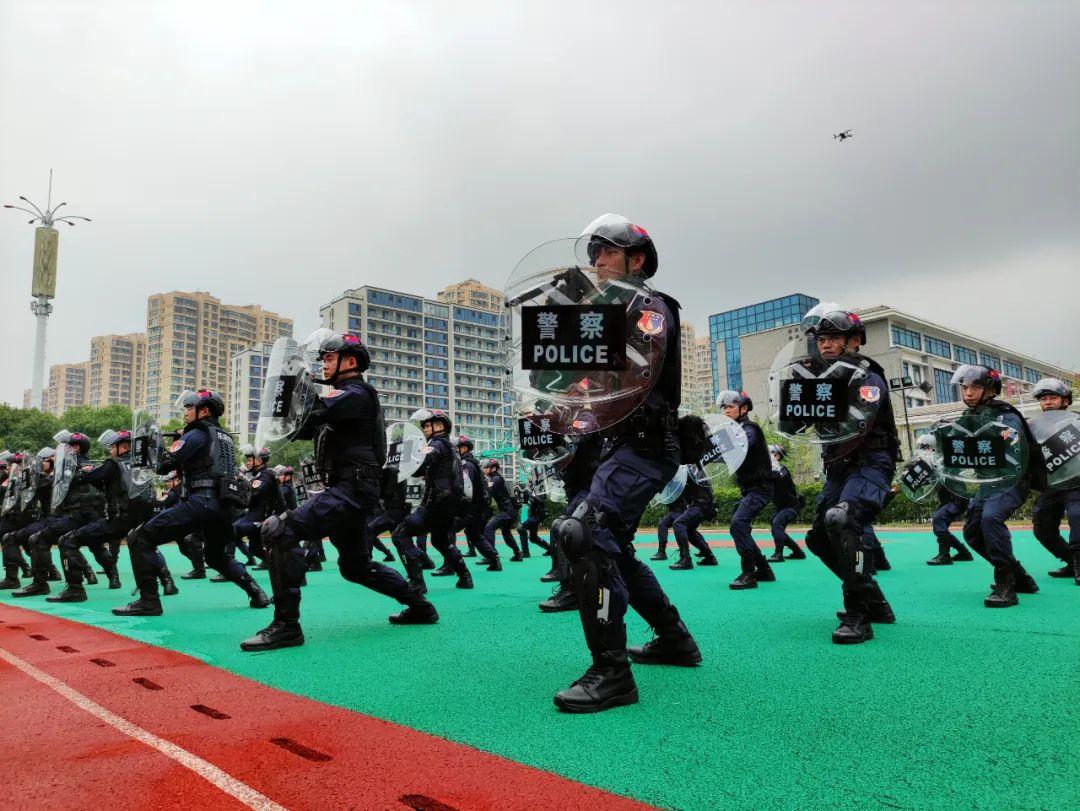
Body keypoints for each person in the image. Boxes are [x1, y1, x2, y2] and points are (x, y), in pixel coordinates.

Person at [538, 214, 701, 713]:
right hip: (618, 447)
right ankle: (674, 639)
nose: (597, 262)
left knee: (581, 534)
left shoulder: (648, 308)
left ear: (637, 260)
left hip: (648, 445)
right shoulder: (600, 314)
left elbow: (632, 373)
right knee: (615, 550)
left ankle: (612, 672)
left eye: (607, 253)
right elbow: (558, 381)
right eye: (593, 254)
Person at [241, 334, 437, 651]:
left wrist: (295, 381)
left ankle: (286, 626)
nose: (323, 363)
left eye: (330, 357)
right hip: (353, 489)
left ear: (350, 362)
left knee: (279, 530)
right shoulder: (343, 399)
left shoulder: (356, 393)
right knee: (355, 567)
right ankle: (421, 607)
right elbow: (302, 424)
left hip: (352, 488)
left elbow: (314, 408)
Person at [113, 390, 271, 616]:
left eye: (189, 408)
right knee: (216, 556)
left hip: (201, 502)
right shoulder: (222, 436)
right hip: (223, 507)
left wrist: (152, 444)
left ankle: (148, 601)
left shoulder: (197, 433)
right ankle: (257, 592)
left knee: (139, 538)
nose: (186, 413)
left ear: (204, 411)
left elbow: (164, 465)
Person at [796, 308, 897, 643]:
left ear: (854, 341)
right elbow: (792, 427)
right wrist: (794, 398)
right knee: (818, 538)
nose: (825, 345)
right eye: (821, 339)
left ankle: (858, 613)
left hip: (871, 462)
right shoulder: (816, 381)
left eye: (834, 338)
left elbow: (860, 420)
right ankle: (873, 598)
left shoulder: (868, 377)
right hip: (837, 466)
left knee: (843, 520)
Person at [947, 366, 1040, 607]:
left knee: (990, 519)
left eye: (975, 387)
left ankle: (1006, 584)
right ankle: (1019, 576)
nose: (968, 393)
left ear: (990, 389)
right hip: (987, 484)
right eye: (964, 387)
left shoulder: (1005, 414)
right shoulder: (967, 417)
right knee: (972, 532)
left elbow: (1012, 438)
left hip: (1012, 480)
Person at [12, 433, 111, 599]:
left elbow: (52, 486)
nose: (58, 453)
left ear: (76, 448)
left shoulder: (68, 465)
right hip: (91, 516)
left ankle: (47, 585)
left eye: (65, 447)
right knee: (90, 545)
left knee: (41, 539)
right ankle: (95, 577)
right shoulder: (92, 465)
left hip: (77, 516)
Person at [407, 410, 474, 589]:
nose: (426, 428)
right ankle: (465, 576)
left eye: (430, 425)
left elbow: (424, 459)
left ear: (440, 427)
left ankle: (416, 582)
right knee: (440, 540)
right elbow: (419, 470)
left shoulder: (437, 443)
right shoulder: (449, 445)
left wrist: (405, 454)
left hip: (436, 502)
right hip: (447, 503)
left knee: (401, 533)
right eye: (425, 426)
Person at [716, 391, 776, 589]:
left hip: (761, 488)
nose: (726, 411)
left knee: (738, 524)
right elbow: (717, 453)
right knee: (741, 526)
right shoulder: (733, 430)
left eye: (730, 407)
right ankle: (765, 570)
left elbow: (743, 443)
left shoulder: (750, 429)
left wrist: (721, 441)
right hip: (749, 490)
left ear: (743, 409)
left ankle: (749, 574)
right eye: (724, 407)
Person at [1028, 378, 1079, 585]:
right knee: (1042, 527)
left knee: (1077, 516)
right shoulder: (1032, 427)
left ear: (1065, 400)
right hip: (1051, 485)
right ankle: (1070, 560)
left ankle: (1079, 563)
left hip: (1077, 481)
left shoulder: (1077, 421)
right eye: (1044, 399)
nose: (1048, 402)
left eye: (1053, 398)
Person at [919, 433, 974, 566]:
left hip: (956, 499)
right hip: (950, 500)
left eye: (923, 447)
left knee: (938, 520)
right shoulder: (934, 462)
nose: (921, 450)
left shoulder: (944, 460)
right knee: (939, 524)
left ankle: (944, 556)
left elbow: (940, 478)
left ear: (931, 447)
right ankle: (964, 553)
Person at [453, 437, 502, 570]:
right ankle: (494, 560)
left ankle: (451, 565)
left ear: (463, 448)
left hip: (470, 507)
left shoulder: (467, 464)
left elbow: (466, 488)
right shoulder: (470, 462)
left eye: (456, 448)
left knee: (448, 531)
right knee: (474, 535)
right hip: (477, 507)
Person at [668, 468, 718, 570]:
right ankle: (709, 557)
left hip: (702, 504)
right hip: (702, 503)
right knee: (689, 529)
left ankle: (685, 559)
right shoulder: (692, 467)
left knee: (679, 524)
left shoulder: (687, 468)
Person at [767, 445, 806, 562]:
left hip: (792, 506)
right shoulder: (770, 471)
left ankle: (778, 554)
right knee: (776, 528)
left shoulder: (782, 470)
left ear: (777, 456)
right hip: (781, 507)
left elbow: (776, 476)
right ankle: (798, 552)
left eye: (770, 453)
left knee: (776, 524)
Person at [482, 460, 523, 561]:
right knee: (506, 533)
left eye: (486, 467)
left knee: (489, 528)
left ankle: (491, 556)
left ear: (493, 468)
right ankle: (518, 553)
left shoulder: (496, 478)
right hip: (508, 510)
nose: (484, 470)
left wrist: (482, 482)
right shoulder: (493, 478)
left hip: (507, 511)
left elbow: (489, 490)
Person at [519, 478, 551, 558]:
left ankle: (525, 553)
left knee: (521, 528)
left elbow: (540, 501)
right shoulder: (530, 489)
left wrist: (531, 495)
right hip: (533, 515)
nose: (528, 483)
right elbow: (526, 501)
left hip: (536, 516)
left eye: (530, 481)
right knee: (533, 538)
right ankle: (551, 549)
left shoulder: (540, 488)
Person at [651, 489, 686, 562]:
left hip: (681, 511)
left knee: (685, 529)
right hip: (673, 512)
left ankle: (704, 552)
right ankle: (661, 552)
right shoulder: (669, 486)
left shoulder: (680, 484)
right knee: (662, 525)